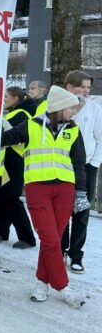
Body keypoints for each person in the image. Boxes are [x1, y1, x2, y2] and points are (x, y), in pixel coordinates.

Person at [1, 85, 87, 308]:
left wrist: (81, 193)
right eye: (71, 108)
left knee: (54, 240)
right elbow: (3, 139)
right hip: (38, 188)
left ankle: (42, 283)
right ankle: (63, 287)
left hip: (65, 190)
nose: (74, 111)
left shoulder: (73, 130)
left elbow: (79, 165)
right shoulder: (30, 126)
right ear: (59, 108)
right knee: (49, 239)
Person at [61, 70, 102, 274]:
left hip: (86, 167)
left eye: (88, 87)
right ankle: (60, 250)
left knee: (82, 211)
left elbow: (101, 138)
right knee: (62, 210)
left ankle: (76, 254)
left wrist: (94, 164)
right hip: (62, 166)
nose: (86, 91)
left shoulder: (95, 109)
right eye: (82, 87)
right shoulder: (60, 107)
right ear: (69, 87)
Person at [0, 86, 37, 249]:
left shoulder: (21, 115)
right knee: (2, 196)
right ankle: (1, 231)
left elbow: (13, 137)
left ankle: (27, 237)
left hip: (15, 161)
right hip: (6, 160)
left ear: (15, 99)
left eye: (6, 97)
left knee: (12, 198)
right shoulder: (13, 113)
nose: (3, 100)